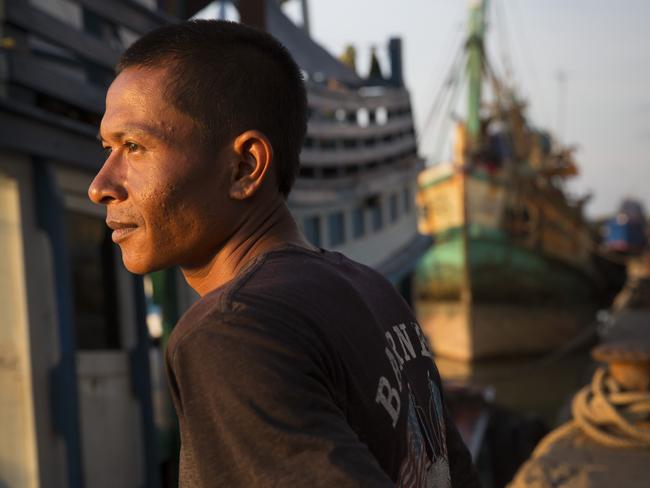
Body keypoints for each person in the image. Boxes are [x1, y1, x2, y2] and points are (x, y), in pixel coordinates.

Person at [88, 19, 480, 487]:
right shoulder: (372, 289)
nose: (100, 186)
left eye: (134, 147)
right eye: (108, 148)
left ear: (245, 166)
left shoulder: (230, 333)